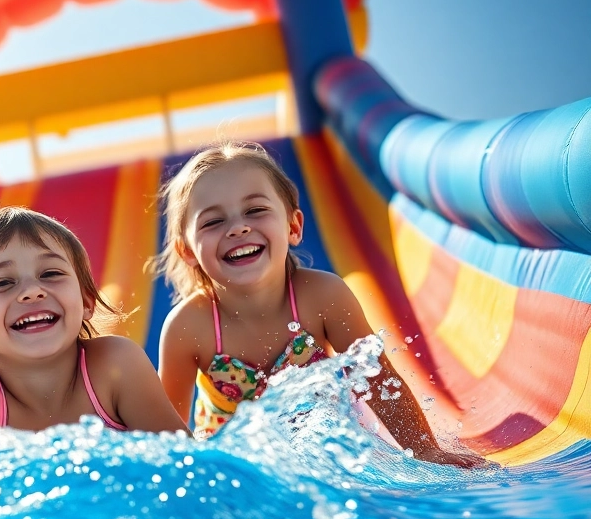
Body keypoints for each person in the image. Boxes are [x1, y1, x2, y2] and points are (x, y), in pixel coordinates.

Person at [152, 140, 484, 467]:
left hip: (320, 451)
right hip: (236, 466)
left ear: (293, 227)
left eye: (255, 210)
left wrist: (426, 451)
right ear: (188, 251)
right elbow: (165, 432)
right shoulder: (188, 327)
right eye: (212, 222)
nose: (238, 227)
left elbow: (378, 377)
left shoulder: (322, 297)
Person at [0, 206, 189, 479]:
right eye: (3, 283)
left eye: (50, 273)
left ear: (86, 301)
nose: (31, 291)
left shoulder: (114, 363)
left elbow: (187, 460)